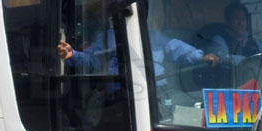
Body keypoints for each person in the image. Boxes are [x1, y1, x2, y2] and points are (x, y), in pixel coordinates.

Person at [57, 30, 219, 85]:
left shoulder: (152, 35)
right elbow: (93, 58)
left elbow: (175, 47)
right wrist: (74, 55)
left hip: (155, 89)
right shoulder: (109, 36)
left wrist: (199, 57)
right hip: (121, 92)